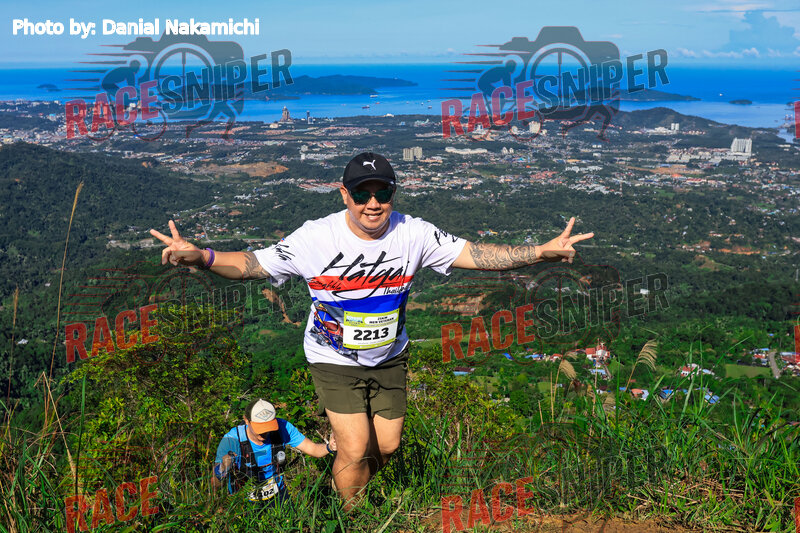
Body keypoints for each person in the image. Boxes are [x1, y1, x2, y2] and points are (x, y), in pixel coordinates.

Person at [151, 152, 593, 507]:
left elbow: (477, 255)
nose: (373, 203)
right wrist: (202, 257)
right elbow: (252, 264)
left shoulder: (414, 234)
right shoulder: (315, 238)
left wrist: (540, 252)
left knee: (388, 445)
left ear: (393, 193)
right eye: (362, 193)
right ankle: (350, 514)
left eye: (383, 192)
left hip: (389, 356)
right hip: (333, 358)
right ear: (345, 194)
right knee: (355, 445)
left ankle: (345, 480)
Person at [212, 398, 335, 506]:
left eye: (269, 427)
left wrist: (330, 447)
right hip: (243, 500)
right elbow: (214, 484)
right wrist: (223, 469)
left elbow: (312, 449)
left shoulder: (282, 428)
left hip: (278, 494)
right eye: (260, 428)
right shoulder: (232, 440)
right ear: (246, 420)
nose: (265, 433)